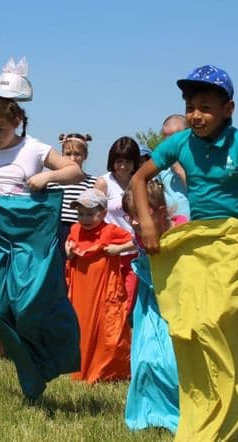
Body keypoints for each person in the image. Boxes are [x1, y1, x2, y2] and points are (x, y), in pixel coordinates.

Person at [130, 64, 238, 440]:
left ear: (229, 109)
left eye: (205, 107)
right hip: (196, 245)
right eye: (190, 106)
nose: (195, 115)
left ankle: (225, 405)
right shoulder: (180, 142)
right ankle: (202, 407)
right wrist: (148, 223)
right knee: (190, 325)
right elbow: (141, 178)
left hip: (233, 246)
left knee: (212, 325)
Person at [0, 57, 83, 401]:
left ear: (17, 121)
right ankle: (31, 369)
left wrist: (48, 175)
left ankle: (45, 362)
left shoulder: (35, 149)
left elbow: (74, 172)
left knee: (27, 306)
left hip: (30, 236)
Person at [122, 180, 179, 434]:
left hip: (175, 300)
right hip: (149, 299)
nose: (134, 221)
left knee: (170, 361)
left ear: (158, 209)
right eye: (130, 215)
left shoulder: (180, 230)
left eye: (138, 214)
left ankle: (177, 409)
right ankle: (149, 412)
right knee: (145, 357)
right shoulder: (140, 232)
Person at [64, 188, 135, 383]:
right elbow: (69, 245)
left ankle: (106, 369)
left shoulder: (110, 231)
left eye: (90, 213)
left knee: (105, 326)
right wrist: (68, 251)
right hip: (81, 288)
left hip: (103, 288)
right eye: (80, 214)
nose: (84, 218)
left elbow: (137, 241)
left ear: (103, 212)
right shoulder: (75, 229)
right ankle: (80, 367)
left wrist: (118, 249)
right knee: (82, 324)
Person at [95, 136, 141, 311]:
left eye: (128, 161)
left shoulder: (140, 181)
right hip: (110, 251)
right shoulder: (103, 183)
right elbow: (94, 217)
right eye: (119, 161)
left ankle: (126, 337)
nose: (123, 166)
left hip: (135, 250)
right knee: (109, 300)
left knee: (128, 303)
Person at [49, 133, 98, 259]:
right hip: (58, 229)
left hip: (82, 228)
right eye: (68, 154)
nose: (73, 158)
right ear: (62, 155)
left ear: (85, 156)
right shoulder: (54, 180)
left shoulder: (92, 182)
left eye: (77, 154)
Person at [158, 114, 190, 224]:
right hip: (171, 232)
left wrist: (178, 168)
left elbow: (200, 193)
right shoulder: (159, 168)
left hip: (197, 229)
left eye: (173, 137)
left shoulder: (201, 162)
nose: (169, 143)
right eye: (165, 137)